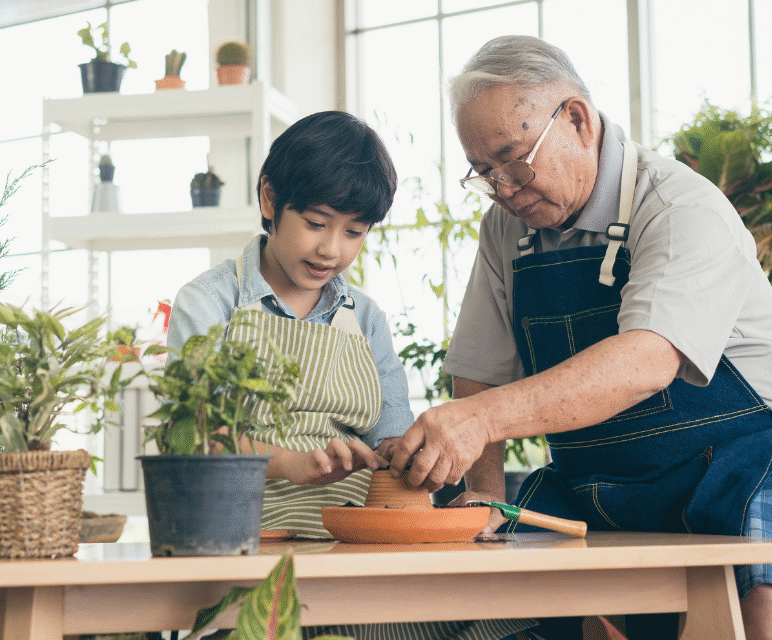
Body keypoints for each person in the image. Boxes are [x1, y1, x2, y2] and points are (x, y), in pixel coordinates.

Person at [388, 36, 772, 640]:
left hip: (756, 461)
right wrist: (485, 496)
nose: (503, 188)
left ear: (576, 119)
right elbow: (480, 366)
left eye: (513, 161)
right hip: (600, 482)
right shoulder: (504, 229)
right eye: (485, 172)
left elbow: (645, 362)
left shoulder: (679, 206)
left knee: (758, 612)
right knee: (491, 606)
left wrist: (478, 420)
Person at [168, 110, 535, 640]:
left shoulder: (364, 318)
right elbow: (197, 439)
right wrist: (291, 464)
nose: (331, 249)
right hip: (252, 546)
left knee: (510, 609)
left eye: (354, 232)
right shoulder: (210, 302)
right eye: (316, 224)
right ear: (270, 199)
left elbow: (391, 437)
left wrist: (414, 456)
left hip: (359, 545)